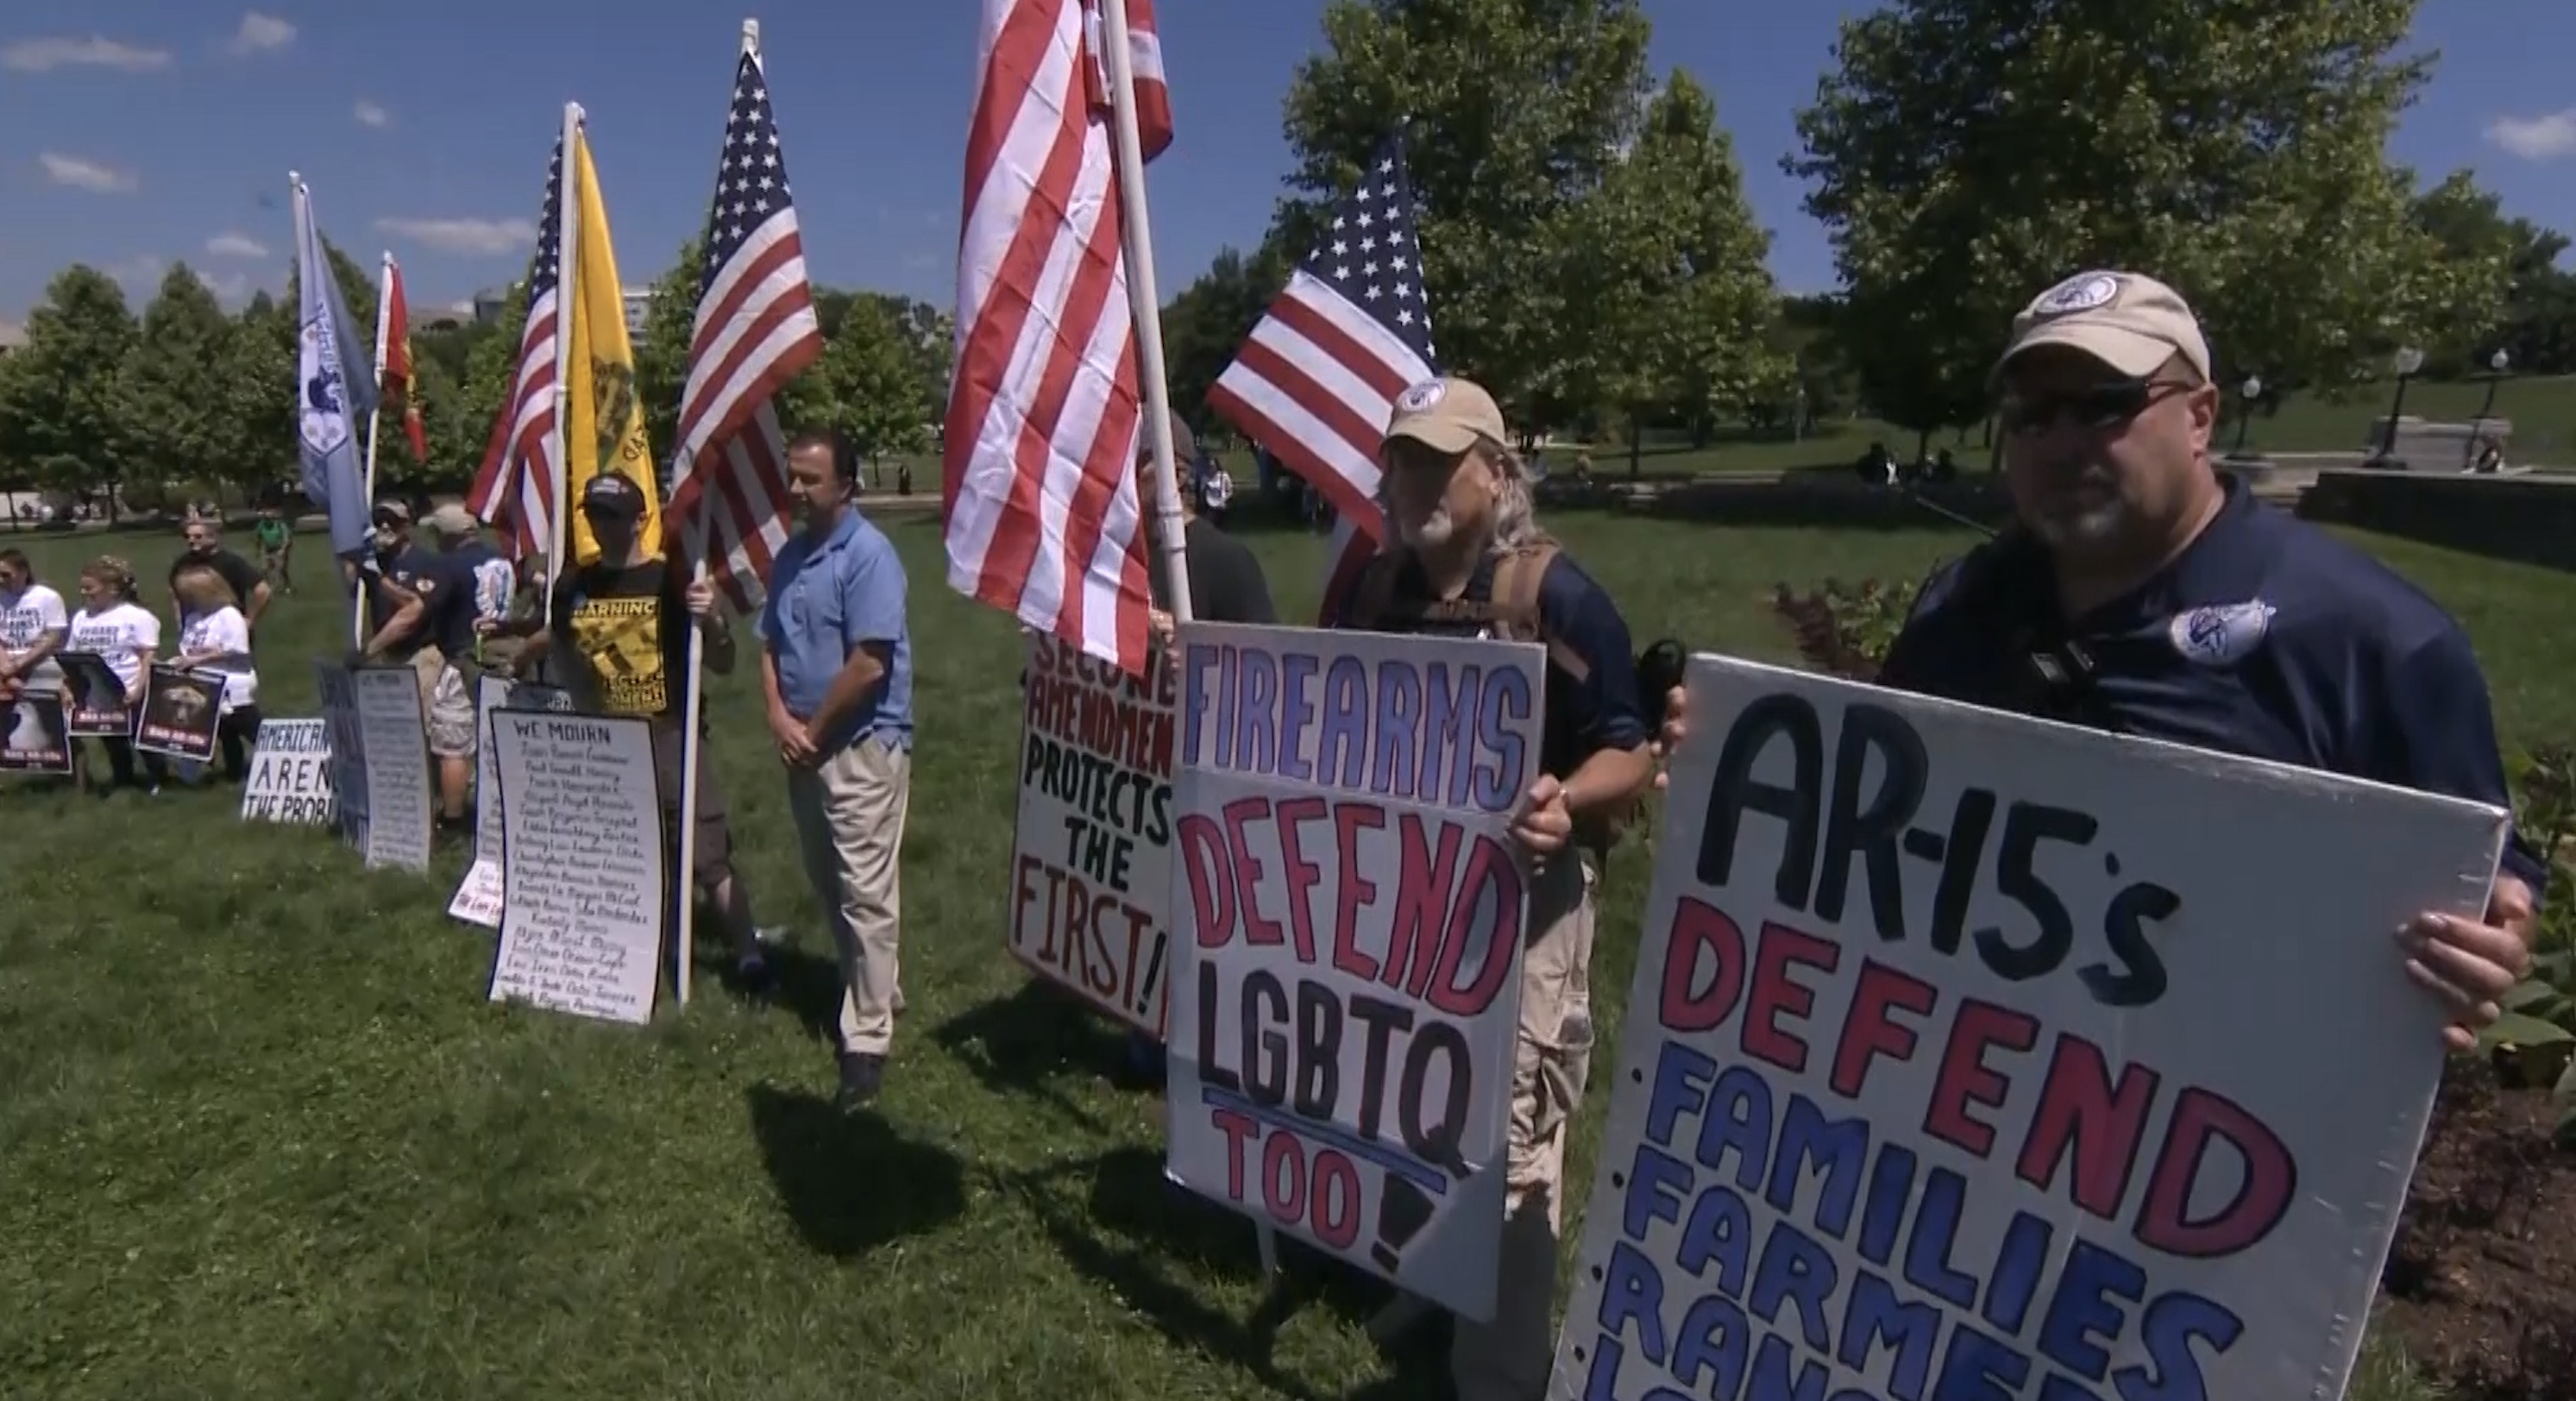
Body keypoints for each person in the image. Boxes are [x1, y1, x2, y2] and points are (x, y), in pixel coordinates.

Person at [1655, 268, 2543, 1054]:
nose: (2062, 441)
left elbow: (2487, 872)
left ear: (2200, 416)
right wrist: (1733, 760)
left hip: (2211, 1147)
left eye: (2104, 403)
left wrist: (2497, 925)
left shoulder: (2373, 642)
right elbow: (1883, 810)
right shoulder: (1962, 607)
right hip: (1960, 1102)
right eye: (2033, 417)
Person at [1329, 376, 1656, 1401]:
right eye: (1398, 460)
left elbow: (1632, 749)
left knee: (1515, 1143)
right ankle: (1431, 1278)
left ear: (1497, 474)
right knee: (1415, 1103)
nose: (1409, 480)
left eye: (1435, 460)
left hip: (1529, 908)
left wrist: (1569, 797)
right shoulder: (1379, 589)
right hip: (1407, 909)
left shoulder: (1554, 595)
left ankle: (1504, 1374)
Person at [485, 473, 776, 995]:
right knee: (629, 853)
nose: (603, 525)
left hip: (671, 736)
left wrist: (712, 623)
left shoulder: (672, 582)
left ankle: (748, 954)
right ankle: (636, 954)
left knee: (706, 850)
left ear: (641, 520)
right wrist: (584, 716)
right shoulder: (574, 585)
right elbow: (566, 650)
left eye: (614, 515)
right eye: (596, 514)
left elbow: (726, 663)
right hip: (609, 745)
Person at [762, 430, 914, 1111]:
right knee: (828, 882)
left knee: (865, 890)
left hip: (860, 747)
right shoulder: (791, 557)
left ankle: (867, 1039)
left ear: (845, 486)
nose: (796, 490)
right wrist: (777, 718)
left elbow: (869, 664)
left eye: (810, 480)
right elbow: (769, 643)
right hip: (804, 746)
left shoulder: (869, 556)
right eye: (792, 477)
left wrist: (815, 733)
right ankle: (877, 984)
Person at [1122, 412, 1276, 1088]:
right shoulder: (1120, 564)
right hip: (1134, 771)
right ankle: (1146, 1026)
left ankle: (1214, 1045)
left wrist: (1204, 661)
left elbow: (1272, 682)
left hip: (1212, 778)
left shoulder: (1221, 561)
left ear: (1169, 471)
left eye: (1127, 464)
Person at [354, 499, 477, 837]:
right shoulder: (378, 562)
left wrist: (369, 648)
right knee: (396, 736)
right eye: (378, 521)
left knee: (424, 735)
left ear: (406, 526)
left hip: (420, 656)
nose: (383, 529)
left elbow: (412, 615)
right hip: (390, 657)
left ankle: (438, 809)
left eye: (391, 522)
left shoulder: (426, 563)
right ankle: (407, 804)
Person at [66, 556, 164, 794]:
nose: (84, 592)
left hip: (129, 686)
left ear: (112, 589)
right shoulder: (81, 617)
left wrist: (139, 688)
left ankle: (159, 779)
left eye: (90, 588)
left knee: (142, 739)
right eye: (82, 587)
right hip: (98, 691)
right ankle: (124, 781)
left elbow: (147, 656)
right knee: (111, 739)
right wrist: (67, 687)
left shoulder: (136, 617)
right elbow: (72, 656)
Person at [170, 560, 261, 781]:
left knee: (250, 728)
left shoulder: (229, 615)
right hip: (205, 684)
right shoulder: (192, 619)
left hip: (233, 684)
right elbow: (187, 648)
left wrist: (201, 657)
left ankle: (279, 757)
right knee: (225, 733)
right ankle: (234, 773)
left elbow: (238, 650)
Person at [168, 515, 273, 638]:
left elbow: (262, 591)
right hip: (196, 630)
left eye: (198, 537)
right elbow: (175, 592)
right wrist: (180, 621)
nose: (191, 541)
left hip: (229, 629)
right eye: (187, 536)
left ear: (213, 538)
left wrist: (249, 620)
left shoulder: (231, 562)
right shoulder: (183, 562)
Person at [0, 548, 69, 704]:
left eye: (6, 575)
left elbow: (53, 637)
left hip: (39, 659)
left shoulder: (47, 597)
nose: (1, 580)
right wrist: (7, 668)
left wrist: (20, 663)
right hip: (5, 662)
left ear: (23, 572)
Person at [253, 504, 295, 594]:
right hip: (268, 549)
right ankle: (269, 586)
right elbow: (258, 537)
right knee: (264, 569)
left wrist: (283, 550)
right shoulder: (261, 525)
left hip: (279, 549)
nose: (268, 521)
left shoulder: (280, 525)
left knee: (281, 569)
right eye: (266, 519)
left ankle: (287, 586)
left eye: (270, 519)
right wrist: (257, 550)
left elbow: (286, 539)